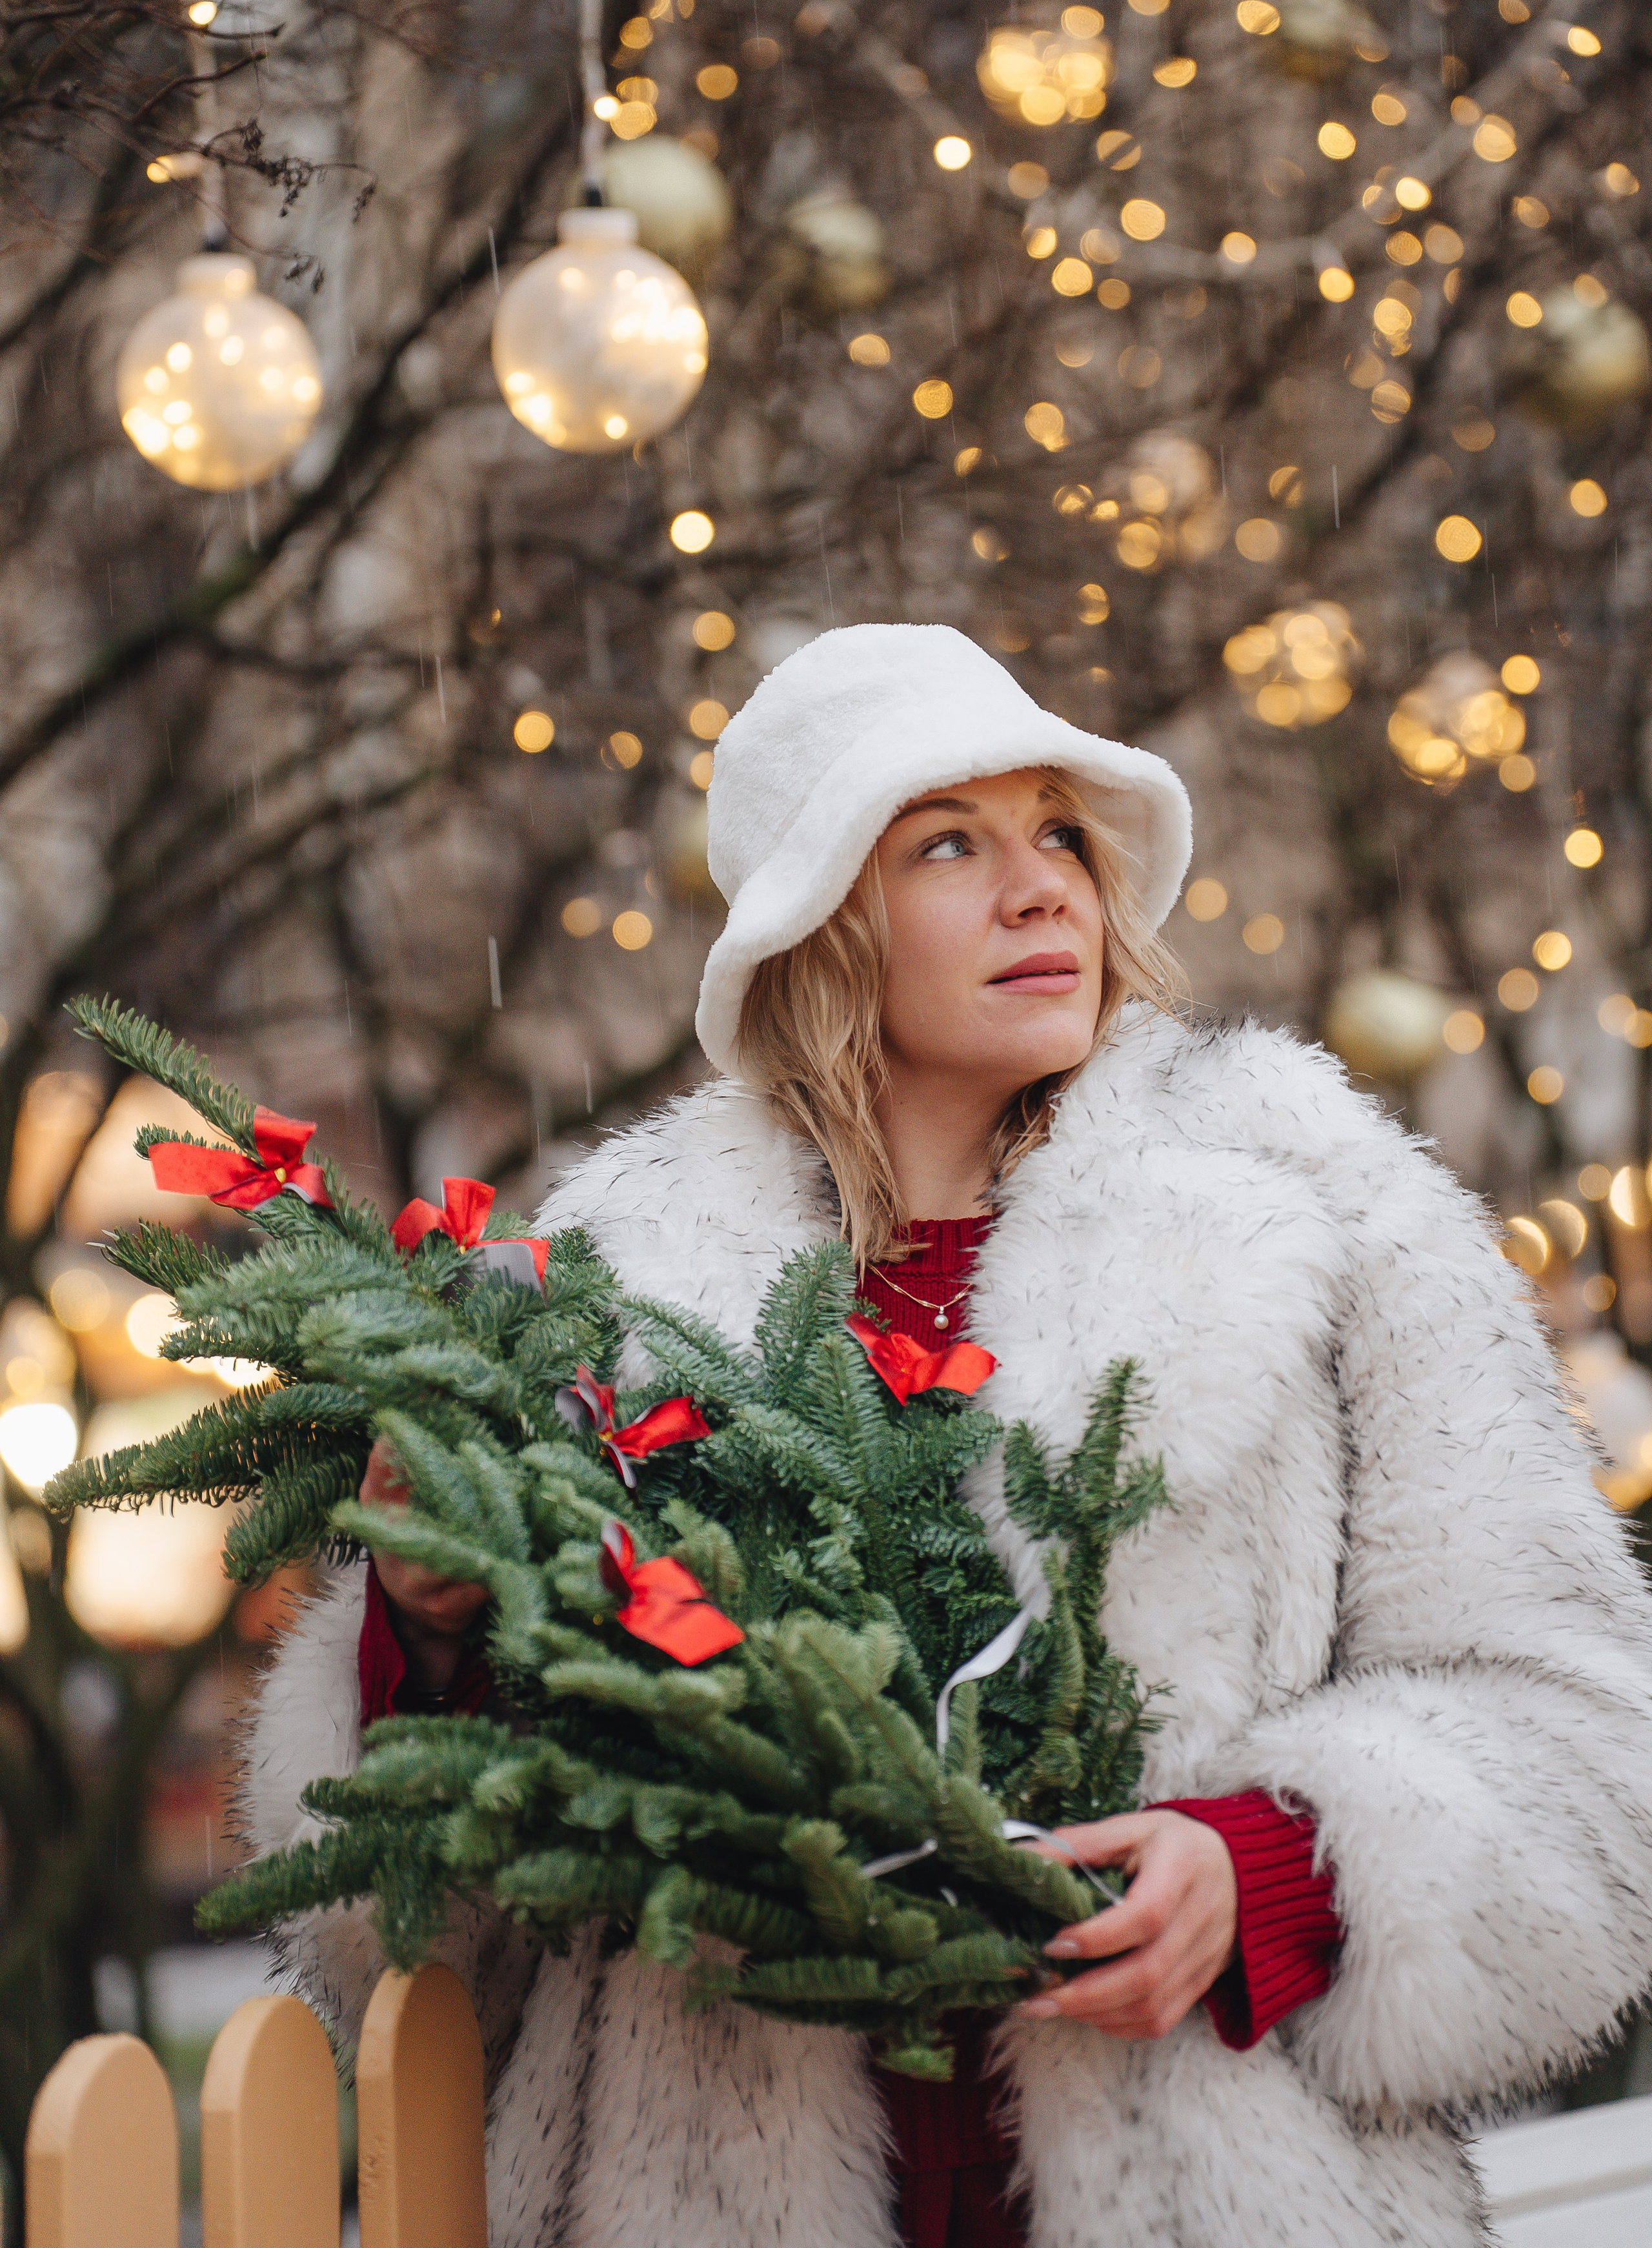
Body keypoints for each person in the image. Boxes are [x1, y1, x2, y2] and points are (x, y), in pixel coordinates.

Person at [245, 623, 1652, 2248]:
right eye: (947, 847)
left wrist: (1268, 1872)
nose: (1043, 886)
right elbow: (420, 1940)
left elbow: (1582, 1735)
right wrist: (427, 1642)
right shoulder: (612, 1299)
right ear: (822, 920)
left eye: (1058, 832)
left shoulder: (1330, 1215)